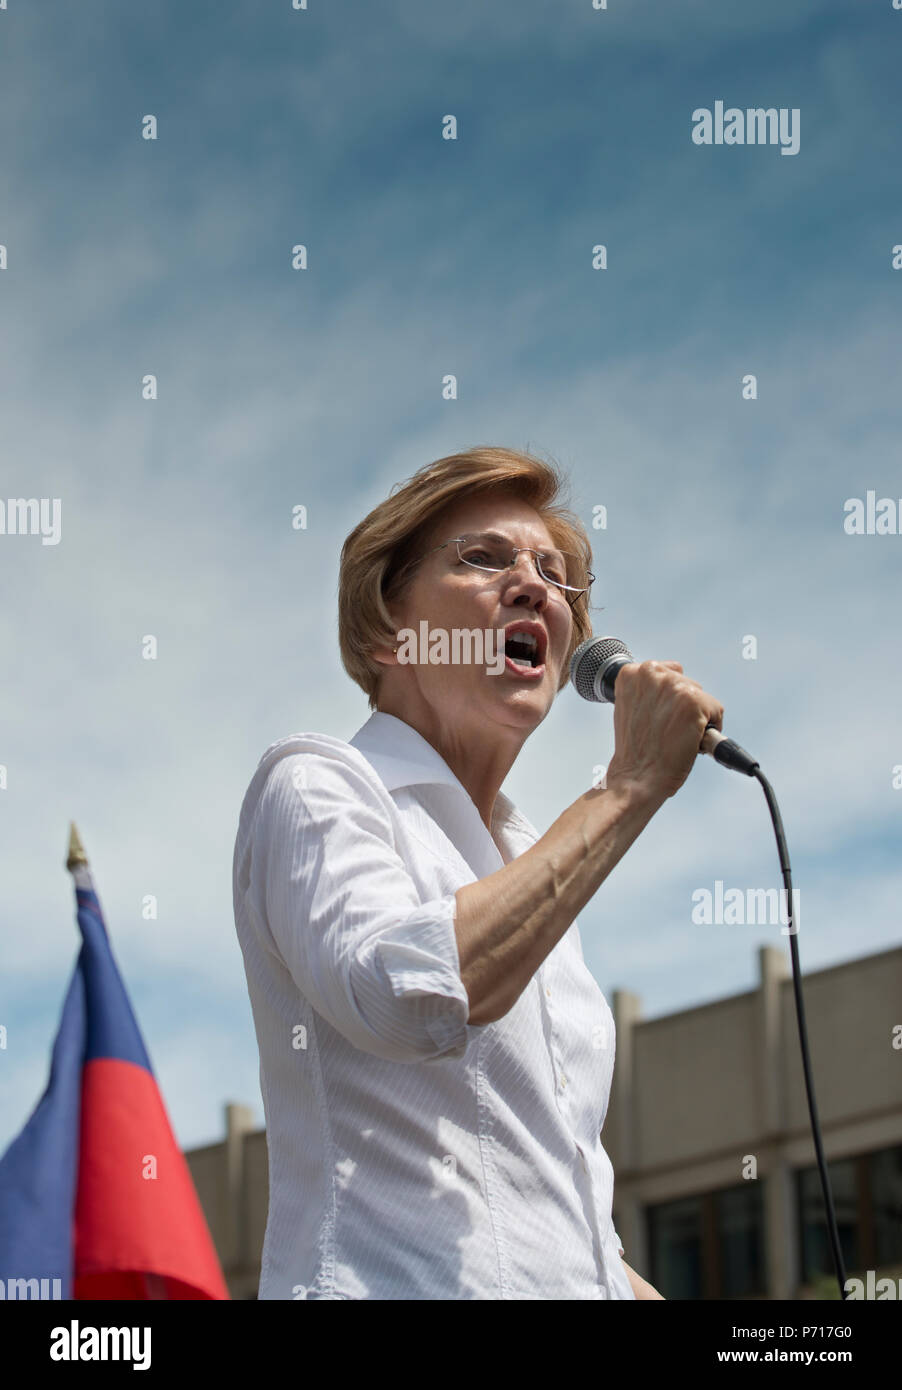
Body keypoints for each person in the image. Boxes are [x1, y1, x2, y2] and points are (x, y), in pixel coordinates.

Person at [232, 445, 724, 1300]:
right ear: (391, 627)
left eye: (556, 574)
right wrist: (630, 788)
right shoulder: (318, 785)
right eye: (485, 559)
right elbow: (405, 995)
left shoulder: (526, 855)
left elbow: (562, 1223)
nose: (536, 585)